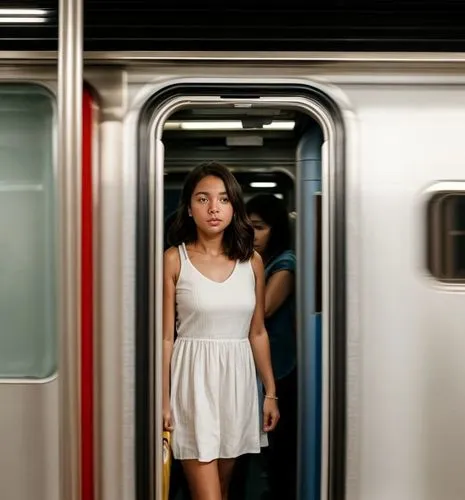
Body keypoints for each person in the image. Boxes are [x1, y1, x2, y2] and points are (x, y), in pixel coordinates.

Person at [163, 161, 280, 500]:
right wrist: (163, 399)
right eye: (203, 199)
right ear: (189, 207)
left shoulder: (252, 261)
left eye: (224, 199)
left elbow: (257, 332)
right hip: (192, 383)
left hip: (237, 385)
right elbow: (165, 336)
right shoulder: (174, 259)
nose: (214, 208)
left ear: (234, 207)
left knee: (224, 490)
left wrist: (270, 392)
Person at [246, 194, 297, 500]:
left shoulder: (284, 262)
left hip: (280, 368)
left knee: (278, 449)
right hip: (256, 369)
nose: (253, 234)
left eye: (260, 227)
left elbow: (262, 311)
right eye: (248, 227)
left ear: (275, 229)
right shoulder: (252, 262)